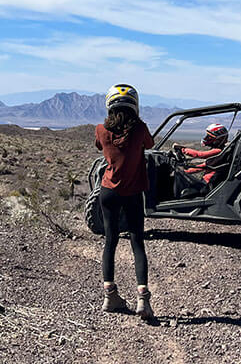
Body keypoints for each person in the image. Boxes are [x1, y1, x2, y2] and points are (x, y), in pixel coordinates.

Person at [94, 83, 155, 320]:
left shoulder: (101, 130)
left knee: (110, 241)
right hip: (132, 192)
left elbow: (100, 145)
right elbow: (149, 145)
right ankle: (143, 300)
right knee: (137, 242)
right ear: (135, 105)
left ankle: (110, 296)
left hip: (108, 191)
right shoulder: (140, 129)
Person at [171, 123, 229, 197]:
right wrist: (186, 172)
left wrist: (182, 149)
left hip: (207, 184)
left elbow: (200, 155)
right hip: (205, 182)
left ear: (218, 139)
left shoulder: (218, 151)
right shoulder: (219, 153)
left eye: (210, 137)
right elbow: (203, 166)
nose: (207, 138)